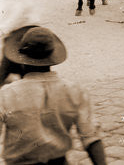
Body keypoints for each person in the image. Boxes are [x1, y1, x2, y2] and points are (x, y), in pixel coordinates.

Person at [0, 26, 107, 164]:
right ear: (52, 55)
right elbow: (91, 137)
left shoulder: (7, 94)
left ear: (20, 59)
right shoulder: (73, 90)